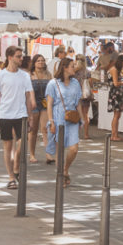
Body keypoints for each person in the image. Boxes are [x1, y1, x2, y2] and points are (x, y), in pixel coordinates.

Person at [0, 46, 35, 189]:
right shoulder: (0, 76)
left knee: (22, 144)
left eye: (21, 56)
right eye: (18, 56)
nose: (21, 58)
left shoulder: (25, 76)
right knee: (8, 146)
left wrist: (31, 117)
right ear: (10, 57)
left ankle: (16, 165)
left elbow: (28, 97)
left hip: (21, 114)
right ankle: (11, 177)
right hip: (5, 115)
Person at [48, 56, 82, 185]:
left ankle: (65, 169)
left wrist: (81, 119)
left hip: (72, 119)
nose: (75, 68)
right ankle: (61, 175)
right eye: (72, 66)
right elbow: (50, 103)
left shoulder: (75, 83)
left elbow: (78, 102)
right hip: (58, 117)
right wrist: (51, 121)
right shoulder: (53, 83)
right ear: (65, 68)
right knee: (60, 149)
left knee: (74, 149)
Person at [28, 54, 53, 164]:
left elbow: (52, 89)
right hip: (33, 103)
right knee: (33, 130)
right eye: (38, 61)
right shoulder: (30, 75)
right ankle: (32, 154)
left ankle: (48, 154)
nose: (41, 62)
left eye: (42, 60)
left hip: (45, 103)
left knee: (45, 128)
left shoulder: (48, 74)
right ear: (34, 63)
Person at [108, 55, 123, 141]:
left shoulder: (117, 69)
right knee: (116, 115)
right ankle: (114, 135)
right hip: (115, 94)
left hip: (117, 94)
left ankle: (115, 134)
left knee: (117, 115)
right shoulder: (114, 69)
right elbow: (116, 83)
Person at [73, 55, 93, 139]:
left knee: (76, 114)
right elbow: (91, 84)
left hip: (75, 95)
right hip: (85, 95)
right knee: (85, 114)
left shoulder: (74, 71)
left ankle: (75, 134)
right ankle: (86, 134)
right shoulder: (87, 71)